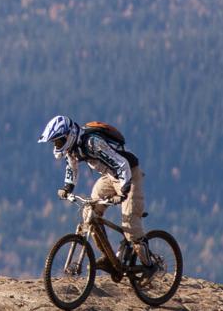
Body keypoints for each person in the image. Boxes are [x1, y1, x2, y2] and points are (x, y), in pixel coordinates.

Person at [38, 114, 147, 268]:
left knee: (130, 224)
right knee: (89, 213)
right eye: (54, 142)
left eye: (58, 141)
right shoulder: (73, 148)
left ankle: (150, 266)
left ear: (69, 136)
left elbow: (122, 164)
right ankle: (109, 257)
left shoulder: (92, 143)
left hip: (130, 175)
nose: (56, 145)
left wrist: (124, 191)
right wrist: (68, 188)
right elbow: (72, 167)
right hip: (109, 177)